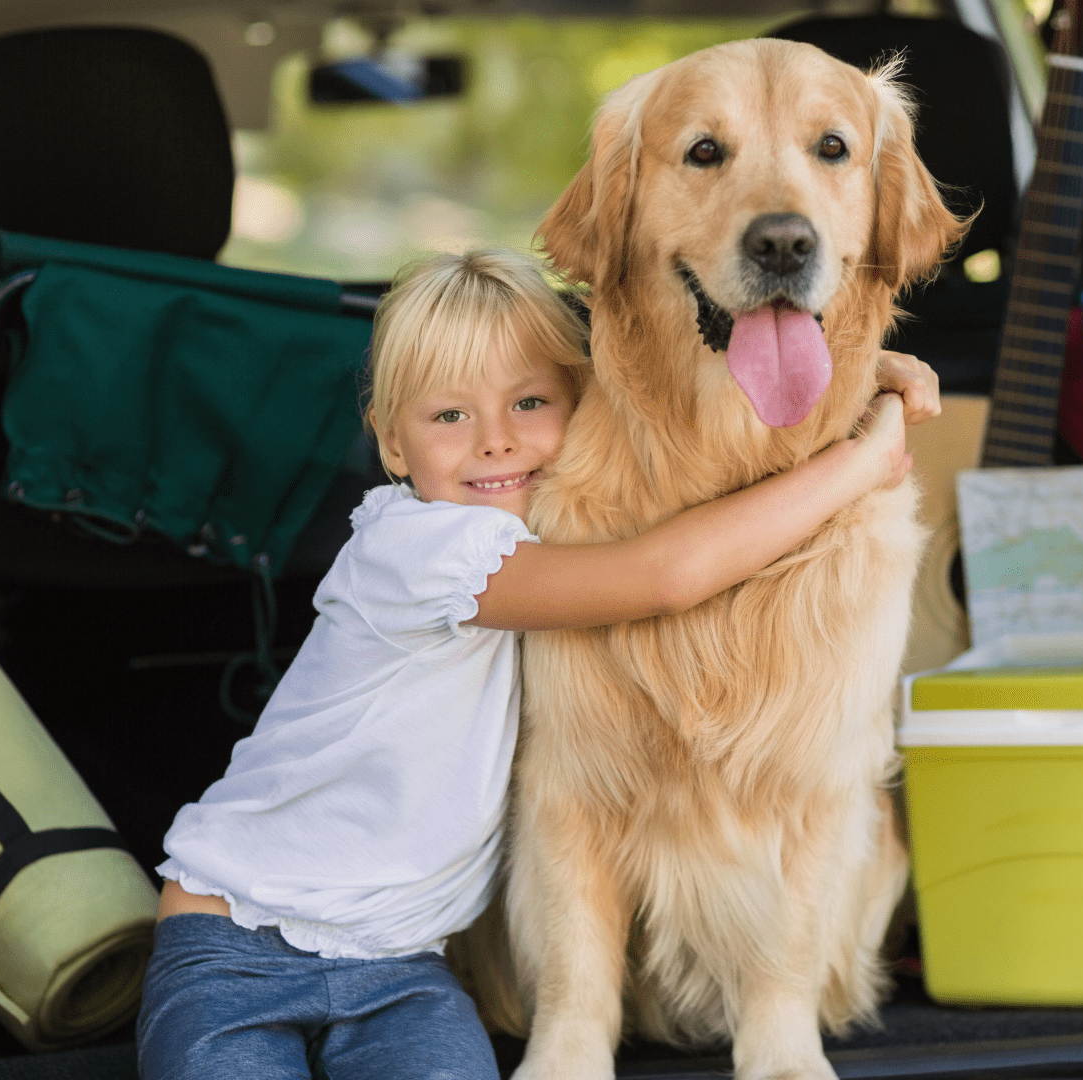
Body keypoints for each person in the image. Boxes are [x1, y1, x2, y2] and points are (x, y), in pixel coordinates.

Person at [136, 248, 940, 1080]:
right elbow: (665, 576)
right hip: (236, 941)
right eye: (449, 417)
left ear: (586, 406)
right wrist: (860, 461)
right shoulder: (415, 549)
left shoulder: (540, 529)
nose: (496, 441)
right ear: (391, 444)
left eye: (530, 402)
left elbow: (660, 377)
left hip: (400, 968)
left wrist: (833, 367)